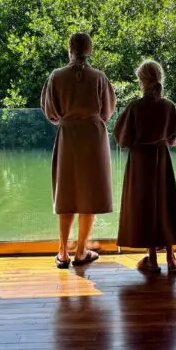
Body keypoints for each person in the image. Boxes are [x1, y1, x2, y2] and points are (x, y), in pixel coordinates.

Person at [40, 32, 117, 268]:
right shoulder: (99, 77)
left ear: (69, 50)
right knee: (89, 194)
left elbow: (49, 110)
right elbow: (107, 110)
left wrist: (66, 119)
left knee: (67, 192)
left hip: (68, 136)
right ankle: (81, 251)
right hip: (93, 136)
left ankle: (63, 252)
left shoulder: (56, 76)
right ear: (89, 50)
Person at [115, 60, 176, 274]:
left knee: (144, 204)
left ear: (141, 81)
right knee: (165, 204)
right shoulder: (168, 106)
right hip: (162, 159)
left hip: (140, 161)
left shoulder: (135, 107)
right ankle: (171, 259)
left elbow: (122, 138)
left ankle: (152, 259)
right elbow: (175, 137)